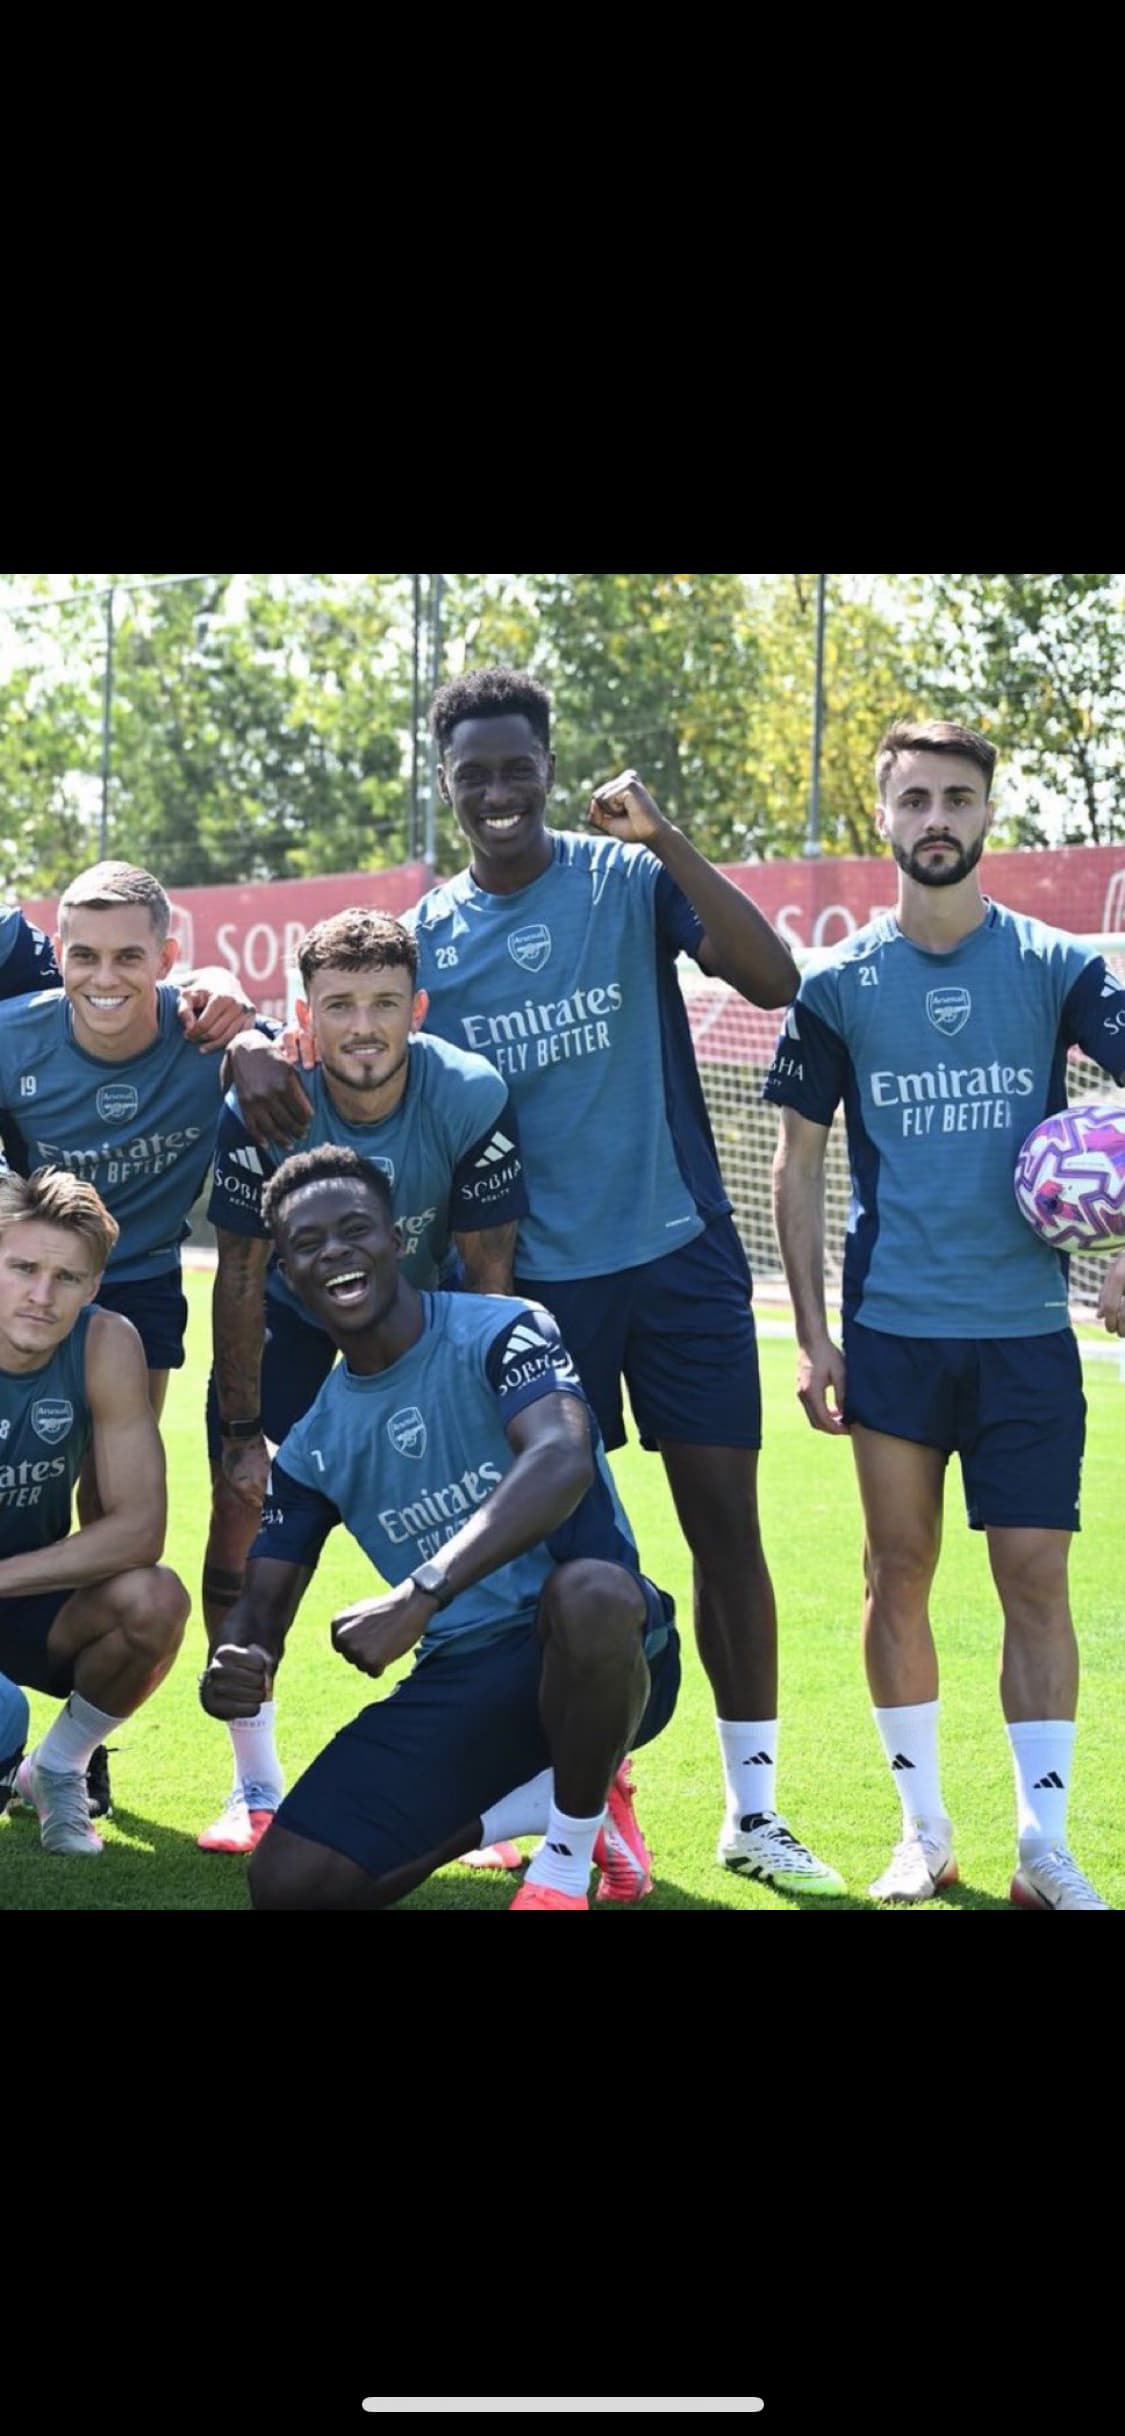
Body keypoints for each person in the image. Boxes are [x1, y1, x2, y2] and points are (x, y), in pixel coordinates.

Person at [397, 664, 843, 1897]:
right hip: (536, 1293)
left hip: (680, 1259)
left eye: (517, 766)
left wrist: (667, 835)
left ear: (551, 767)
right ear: (446, 784)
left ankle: (754, 1811)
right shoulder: (429, 938)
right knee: (539, 1562)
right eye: (473, 772)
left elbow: (775, 980)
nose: (498, 790)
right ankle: (565, 1795)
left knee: (725, 1531)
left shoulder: (627, 878)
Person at [766, 719, 1120, 1910]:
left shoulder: (1059, 966)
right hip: (895, 1332)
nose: (935, 819)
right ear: (884, 816)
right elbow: (796, 1166)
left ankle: (1043, 1847)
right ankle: (924, 1834)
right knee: (898, 1571)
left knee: (1035, 1579)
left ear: (986, 815)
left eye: (956, 799)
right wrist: (814, 1335)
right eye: (914, 799)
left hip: (1026, 1333)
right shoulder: (835, 984)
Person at [198, 1145, 681, 1911]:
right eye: (308, 1244)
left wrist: (421, 1592)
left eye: (354, 1229)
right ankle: (550, 1802)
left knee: (590, 1591)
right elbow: (262, 1607)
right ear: (288, 1275)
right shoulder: (315, 1441)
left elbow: (560, 1458)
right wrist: (238, 1660)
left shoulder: (505, 1329)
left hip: (604, 1655)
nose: (334, 1251)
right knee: (289, 1885)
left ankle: (561, 1866)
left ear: (396, 1241)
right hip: (465, 1674)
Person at [196, 907, 530, 1855]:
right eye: (338, 1005)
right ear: (305, 1016)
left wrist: (480, 1407)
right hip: (294, 1322)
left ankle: (497, 1773)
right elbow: (241, 1274)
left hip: (420, 1322)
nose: (364, 1026)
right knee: (245, 1521)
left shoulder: (468, 1091)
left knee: (468, 1539)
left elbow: (489, 1270)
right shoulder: (266, 1096)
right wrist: (241, 1434)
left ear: (416, 1009)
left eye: (385, 1003)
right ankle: (252, 1784)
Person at [0, 860, 294, 1817]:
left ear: (168, 960)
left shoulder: (206, 1032)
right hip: (33, 1267)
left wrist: (249, 1033)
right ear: (57, 956)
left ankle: (79, 1752)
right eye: (83, 955)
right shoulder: (13, 1035)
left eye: (129, 956)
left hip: (138, 1278)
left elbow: (263, 1034)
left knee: (112, 1505)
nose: (105, 977)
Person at [0, 1167, 189, 1857]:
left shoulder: (106, 1342)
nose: (41, 1296)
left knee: (154, 1600)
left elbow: (140, 1530)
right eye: (22, 1268)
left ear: (94, 1286)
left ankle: (57, 1768)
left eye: (67, 1278)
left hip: (27, 1589)